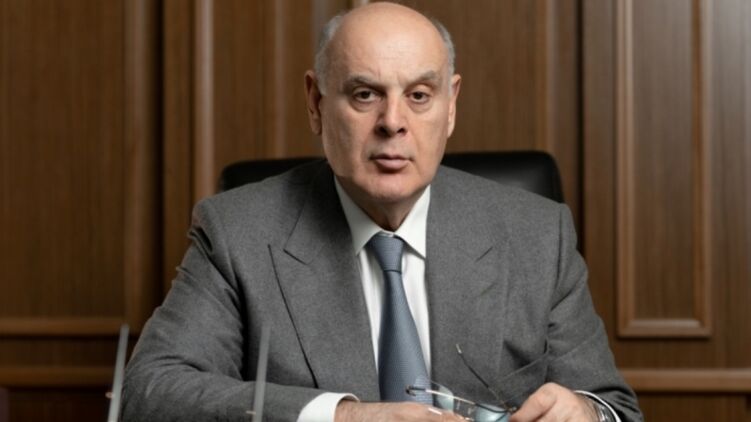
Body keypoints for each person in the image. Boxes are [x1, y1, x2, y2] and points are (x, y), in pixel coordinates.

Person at [123, 2, 642, 421]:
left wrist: (587, 414)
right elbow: (150, 393)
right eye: (365, 94)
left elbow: (615, 407)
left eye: (419, 95)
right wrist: (345, 417)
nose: (393, 122)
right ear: (315, 102)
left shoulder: (537, 234)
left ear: (451, 106)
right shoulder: (237, 233)